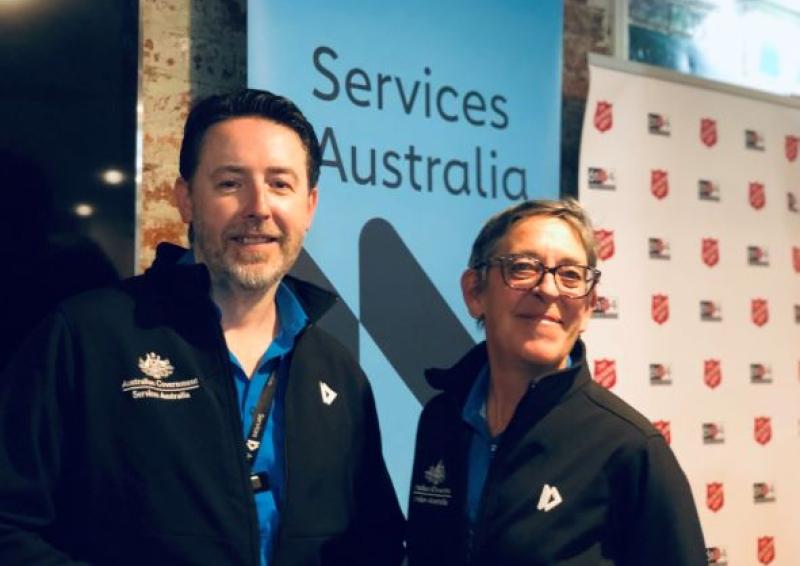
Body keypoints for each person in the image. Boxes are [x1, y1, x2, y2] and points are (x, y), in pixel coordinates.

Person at [0, 89, 404, 565]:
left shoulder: (338, 372)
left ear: (309, 206)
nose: (258, 207)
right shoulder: (85, 336)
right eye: (231, 183)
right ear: (186, 199)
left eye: (280, 184)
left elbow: (374, 544)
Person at [406, 199, 705, 565]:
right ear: (475, 292)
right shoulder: (442, 419)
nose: (548, 289)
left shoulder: (630, 449)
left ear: (589, 307)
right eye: (522, 268)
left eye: (570, 276)